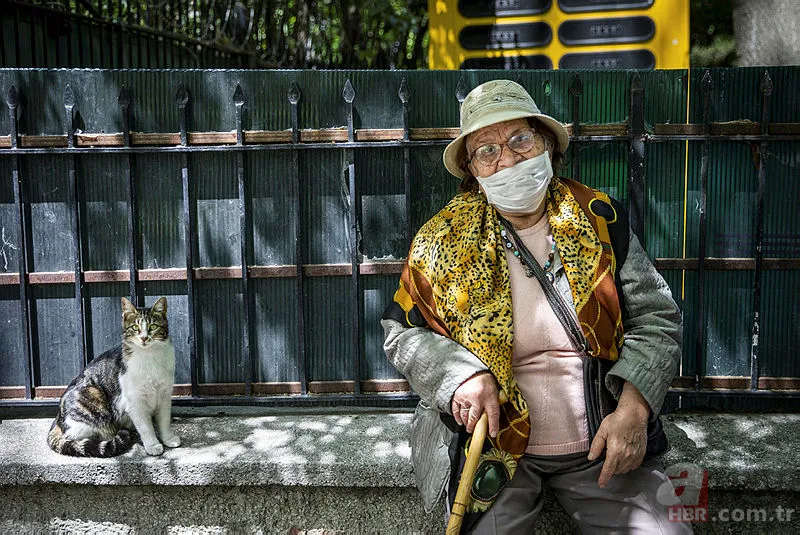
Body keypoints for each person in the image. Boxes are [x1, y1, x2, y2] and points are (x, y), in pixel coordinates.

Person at [382, 80, 692, 534]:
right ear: (472, 169)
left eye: (520, 139)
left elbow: (656, 317)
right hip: (496, 451)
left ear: (547, 144)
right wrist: (460, 376)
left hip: (601, 446)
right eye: (487, 151)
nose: (507, 159)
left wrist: (634, 410)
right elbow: (402, 334)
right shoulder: (440, 240)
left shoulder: (599, 218)